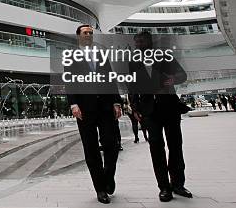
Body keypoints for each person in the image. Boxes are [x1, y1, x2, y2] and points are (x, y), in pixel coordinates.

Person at [129, 31, 192, 202]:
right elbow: (132, 87)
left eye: (141, 41)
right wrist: (134, 108)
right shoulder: (133, 63)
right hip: (149, 112)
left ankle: (178, 184)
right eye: (136, 42)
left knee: (175, 147)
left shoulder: (164, 56)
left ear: (149, 42)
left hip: (170, 108)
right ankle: (164, 187)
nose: (138, 45)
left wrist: (172, 79)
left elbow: (182, 75)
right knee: (156, 149)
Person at [67, 24, 122, 204]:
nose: (89, 35)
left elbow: (111, 78)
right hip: (84, 109)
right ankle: (100, 189)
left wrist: (116, 101)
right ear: (79, 36)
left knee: (111, 144)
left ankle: (108, 175)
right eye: (85, 33)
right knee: (91, 149)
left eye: (91, 33)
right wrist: (73, 104)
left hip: (106, 106)